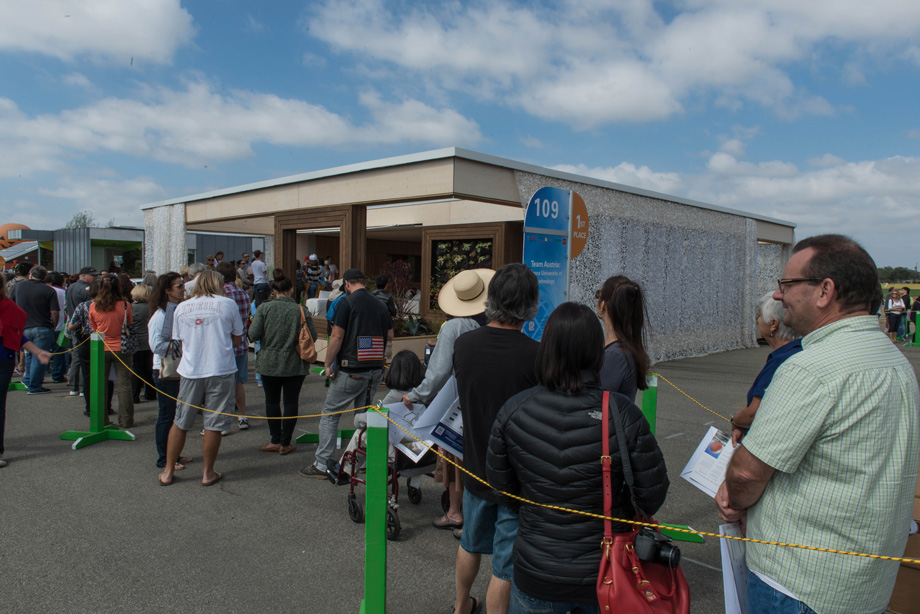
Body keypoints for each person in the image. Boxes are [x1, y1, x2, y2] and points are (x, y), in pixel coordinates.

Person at [716, 234, 920, 614]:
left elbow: (745, 475)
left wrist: (735, 500)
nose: (778, 296)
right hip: (863, 585)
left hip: (796, 585)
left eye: (787, 285)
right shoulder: (895, 362)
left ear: (825, 290)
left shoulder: (811, 368)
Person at [487, 302, 669, 614]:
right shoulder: (621, 412)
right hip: (606, 573)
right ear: (596, 352)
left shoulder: (514, 410)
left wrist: (538, 505)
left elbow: (502, 489)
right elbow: (651, 496)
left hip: (535, 570)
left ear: (547, 348)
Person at [450, 263, 540, 614]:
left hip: (474, 464)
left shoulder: (464, 345)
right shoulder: (536, 354)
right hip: (518, 476)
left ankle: (461, 607)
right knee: (504, 565)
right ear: (530, 305)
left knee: (470, 544)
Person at [402, 268, 494, 533]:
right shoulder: (494, 321)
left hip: (459, 403)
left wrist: (416, 395)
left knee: (455, 457)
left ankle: (456, 512)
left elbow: (438, 372)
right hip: (490, 399)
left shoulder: (455, 326)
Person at [300, 268, 393, 480]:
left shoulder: (346, 303)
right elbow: (389, 335)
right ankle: (363, 462)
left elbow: (337, 337)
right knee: (364, 417)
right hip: (375, 370)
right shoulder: (380, 304)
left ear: (348, 284)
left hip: (351, 369)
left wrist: (328, 362)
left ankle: (322, 463)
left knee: (330, 414)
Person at [159, 271, 243, 487]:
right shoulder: (227, 304)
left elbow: (178, 340)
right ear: (218, 284)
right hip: (220, 368)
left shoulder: (182, 307)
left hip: (191, 369)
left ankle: (168, 471)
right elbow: (236, 339)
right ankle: (208, 472)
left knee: (180, 421)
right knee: (213, 424)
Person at [249, 269, 317, 454]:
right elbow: (314, 335)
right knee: (291, 402)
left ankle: (275, 440)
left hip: (268, 362)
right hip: (295, 363)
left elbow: (253, 334)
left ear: (274, 290)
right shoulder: (300, 310)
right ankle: (286, 443)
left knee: (271, 401)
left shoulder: (264, 308)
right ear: (291, 289)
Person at [729, 292, 802, 445]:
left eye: (760, 316)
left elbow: (753, 414)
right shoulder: (799, 350)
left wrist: (735, 419)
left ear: (773, 324)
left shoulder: (781, 360)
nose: (757, 320)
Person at [0, 272, 52, 466]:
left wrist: (38, 352)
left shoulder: (8, 307)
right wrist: (38, 351)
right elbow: (15, 333)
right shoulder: (8, 307)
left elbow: (16, 333)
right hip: (3, 360)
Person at [147, 273, 193, 471]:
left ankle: (173, 454)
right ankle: (165, 458)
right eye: (179, 286)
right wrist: (182, 345)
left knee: (175, 414)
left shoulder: (174, 311)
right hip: (164, 370)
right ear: (167, 290)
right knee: (167, 414)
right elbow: (156, 345)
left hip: (176, 369)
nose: (183, 288)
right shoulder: (160, 316)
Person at [88, 275, 135, 427]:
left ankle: (101, 419)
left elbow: (93, 328)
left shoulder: (93, 306)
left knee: (100, 384)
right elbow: (129, 324)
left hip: (101, 347)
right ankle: (126, 420)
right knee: (124, 385)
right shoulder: (125, 305)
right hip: (122, 347)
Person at [595, 275, 649, 401]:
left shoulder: (615, 356)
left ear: (603, 305)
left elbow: (595, 400)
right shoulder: (623, 350)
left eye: (598, 295)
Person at [14, 265, 59, 395]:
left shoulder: (19, 287)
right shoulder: (49, 290)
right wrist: (53, 326)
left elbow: (11, 302)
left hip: (24, 326)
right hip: (42, 326)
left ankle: (28, 380)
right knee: (39, 357)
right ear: (44, 277)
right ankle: (34, 386)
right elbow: (54, 312)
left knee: (29, 355)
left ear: (30, 275)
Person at [219, 261, 252, 431]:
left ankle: (223, 423)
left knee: (223, 386)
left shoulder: (222, 296)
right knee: (239, 383)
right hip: (241, 344)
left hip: (225, 345)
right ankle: (242, 416)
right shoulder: (244, 293)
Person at [64, 266, 98, 396]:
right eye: (92, 275)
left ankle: (74, 387)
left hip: (74, 324)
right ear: (83, 275)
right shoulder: (85, 290)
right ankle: (84, 388)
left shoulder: (71, 287)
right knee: (85, 359)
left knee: (77, 358)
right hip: (85, 328)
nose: (95, 278)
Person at [67, 280, 99, 417]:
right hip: (106, 341)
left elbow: (71, 325)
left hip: (86, 340)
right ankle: (105, 407)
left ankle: (90, 407)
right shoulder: (111, 305)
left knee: (87, 375)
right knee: (106, 376)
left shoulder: (83, 306)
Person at [130, 284, 157, 403]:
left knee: (136, 370)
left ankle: (134, 396)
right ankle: (151, 393)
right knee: (149, 369)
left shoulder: (131, 308)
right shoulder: (152, 308)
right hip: (149, 340)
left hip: (136, 341)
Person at [48, 271, 69, 384]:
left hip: (47, 324)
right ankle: (58, 375)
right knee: (59, 352)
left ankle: (40, 374)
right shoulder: (64, 292)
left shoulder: (47, 291)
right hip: (60, 325)